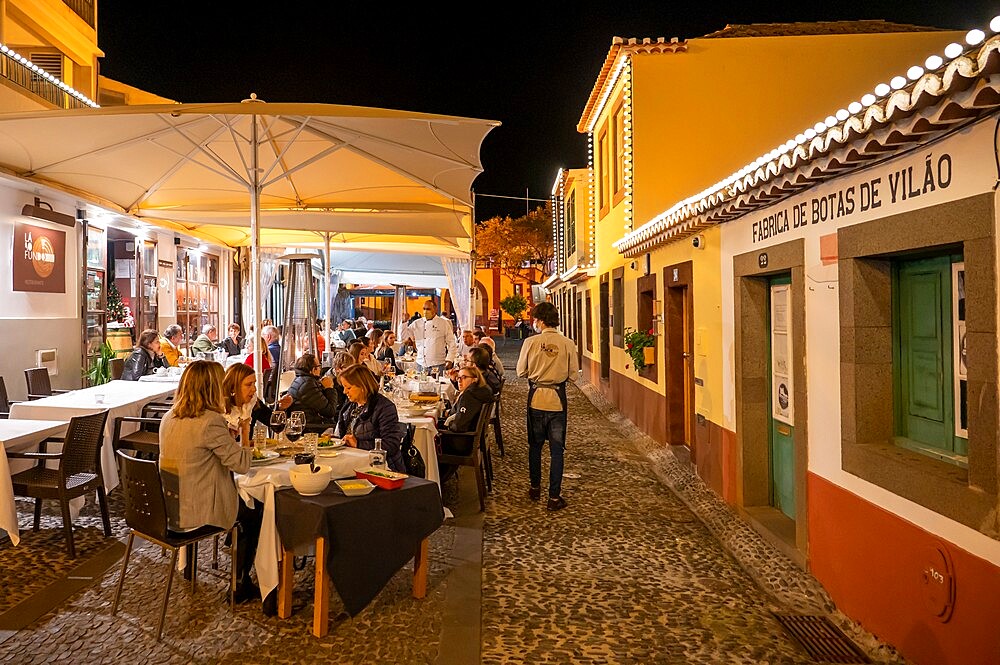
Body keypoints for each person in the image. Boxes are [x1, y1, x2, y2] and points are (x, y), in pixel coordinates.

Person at [158, 360, 262, 603]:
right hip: (199, 512)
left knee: (248, 507)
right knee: (255, 511)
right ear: (212, 387)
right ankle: (240, 583)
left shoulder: (168, 417)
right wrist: (245, 434)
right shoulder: (209, 421)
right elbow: (242, 465)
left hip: (170, 508)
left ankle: (192, 568)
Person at [516, 301, 578, 512]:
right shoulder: (568, 343)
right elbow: (574, 375)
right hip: (557, 402)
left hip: (536, 400)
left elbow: (520, 371)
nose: (534, 323)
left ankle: (535, 488)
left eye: (535, 319)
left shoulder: (530, 343)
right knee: (557, 451)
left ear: (540, 321)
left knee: (535, 446)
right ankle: (554, 497)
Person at [335, 364, 406, 473]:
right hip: (353, 462)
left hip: (380, 467)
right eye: (344, 387)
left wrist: (358, 444)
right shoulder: (349, 407)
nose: (345, 392)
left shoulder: (384, 407)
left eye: (348, 387)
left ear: (363, 387)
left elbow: (391, 445)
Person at [222, 363, 292, 445]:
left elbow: (271, 421)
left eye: (254, 383)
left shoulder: (252, 404)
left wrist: (281, 408)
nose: (254, 389)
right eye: (248, 385)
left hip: (247, 454)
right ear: (233, 387)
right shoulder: (219, 410)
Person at [286, 352, 341, 428]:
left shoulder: (301, 380)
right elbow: (329, 411)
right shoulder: (308, 385)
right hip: (311, 427)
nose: (320, 369)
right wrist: (329, 388)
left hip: (310, 423)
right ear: (313, 370)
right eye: (319, 366)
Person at [404, 299, 457, 373]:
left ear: (435, 309)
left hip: (438, 365)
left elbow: (452, 343)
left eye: (428, 309)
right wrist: (404, 322)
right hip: (420, 364)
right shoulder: (416, 323)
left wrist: (450, 359)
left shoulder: (443, 323)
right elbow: (403, 335)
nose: (425, 311)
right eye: (424, 309)